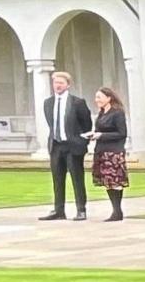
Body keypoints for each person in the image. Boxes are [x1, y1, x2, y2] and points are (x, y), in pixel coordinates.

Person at [41, 70, 91, 222]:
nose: (58, 85)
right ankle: (58, 210)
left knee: (77, 179)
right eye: (56, 83)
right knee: (57, 179)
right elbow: (51, 124)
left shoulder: (77, 102)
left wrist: (82, 142)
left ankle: (81, 210)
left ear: (68, 85)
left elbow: (87, 125)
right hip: (56, 146)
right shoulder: (48, 103)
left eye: (61, 83)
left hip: (73, 146)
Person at [89, 87, 129, 221]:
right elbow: (98, 130)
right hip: (101, 151)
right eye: (96, 97)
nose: (97, 100)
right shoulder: (101, 113)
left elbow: (121, 133)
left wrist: (101, 135)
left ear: (108, 98)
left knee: (115, 181)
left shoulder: (117, 113)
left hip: (113, 152)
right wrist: (93, 135)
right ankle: (115, 210)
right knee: (107, 182)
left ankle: (117, 211)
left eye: (99, 97)